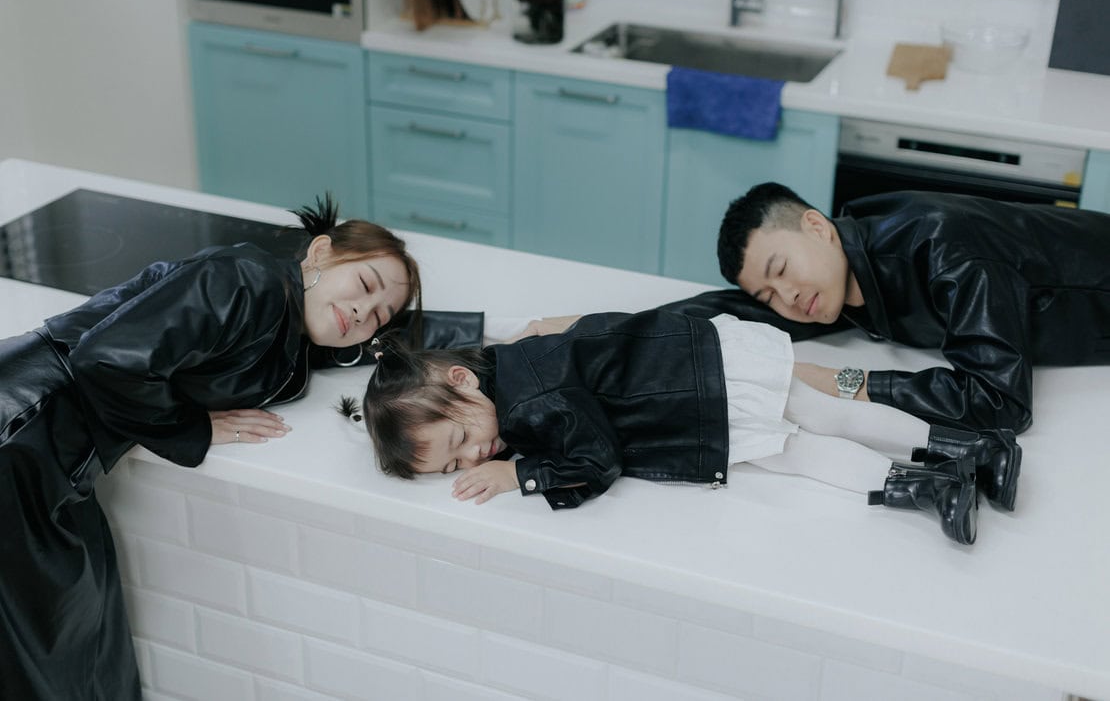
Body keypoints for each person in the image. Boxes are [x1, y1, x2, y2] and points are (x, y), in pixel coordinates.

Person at [0, 196, 458, 699]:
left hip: (49, 455)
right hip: (22, 425)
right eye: (365, 285)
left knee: (81, 647)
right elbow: (105, 359)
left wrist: (490, 336)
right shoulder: (245, 279)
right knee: (44, 657)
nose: (363, 312)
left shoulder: (294, 321)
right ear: (320, 253)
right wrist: (194, 430)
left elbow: (374, 340)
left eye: (379, 315)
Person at [354, 309, 1022, 548]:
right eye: (455, 466)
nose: (476, 456)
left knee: (816, 429)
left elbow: (596, 460)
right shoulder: (513, 373)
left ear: (463, 383)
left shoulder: (531, 401)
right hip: (693, 374)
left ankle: (958, 466)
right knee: (810, 435)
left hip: (698, 389)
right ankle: (954, 467)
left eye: (461, 443)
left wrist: (520, 475)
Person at [655, 182, 1110, 434]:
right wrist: (622, 331)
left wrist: (844, 382)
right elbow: (729, 310)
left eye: (781, 269)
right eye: (768, 295)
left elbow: (999, 401)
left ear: (817, 227)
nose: (786, 296)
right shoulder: (836, 267)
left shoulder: (945, 247)